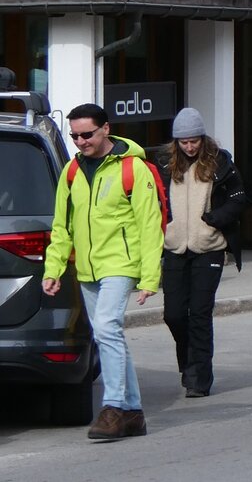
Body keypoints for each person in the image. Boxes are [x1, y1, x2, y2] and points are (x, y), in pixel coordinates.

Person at [41, 103, 163, 441]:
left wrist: (150, 277)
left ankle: (112, 408)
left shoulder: (133, 169)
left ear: (106, 129)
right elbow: (61, 226)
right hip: (87, 268)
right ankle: (134, 413)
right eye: (74, 135)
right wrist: (54, 268)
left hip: (120, 264)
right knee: (106, 335)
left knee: (108, 329)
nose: (80, 141)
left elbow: (150, 225)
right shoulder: (71, 172)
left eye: (87, 134)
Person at [160, 107, 250, 398]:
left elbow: (238, 199)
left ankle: (199, 378)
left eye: (194, 140)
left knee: (199, 313)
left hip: (208, 247)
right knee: (174, 315)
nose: (189, 146)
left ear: (202, 138)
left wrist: (214, 220)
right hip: (174, 247)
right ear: (176, 142)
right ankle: (188, 362)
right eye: (184, 142)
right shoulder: (164, 165)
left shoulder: (220, 162)